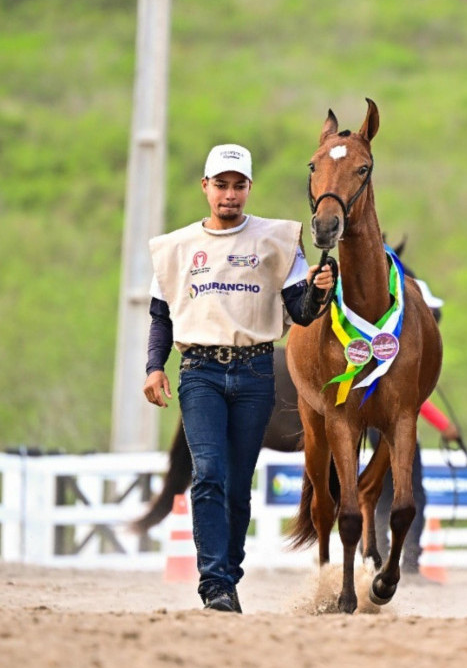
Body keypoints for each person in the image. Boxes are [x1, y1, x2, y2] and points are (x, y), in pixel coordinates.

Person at [142, 143, 334, 613]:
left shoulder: (276, 242)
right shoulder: (176, 248)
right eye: (221, 185)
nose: (230, 194)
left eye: (239, 186)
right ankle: (215, 586)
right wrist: (153, 367)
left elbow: (299, 314)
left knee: (237, 482)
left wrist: (318, 294)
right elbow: (161, 316)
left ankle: (229, 572)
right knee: (208, 474)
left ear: (249, 188)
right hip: (199, 372)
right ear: (205, 187)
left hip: (253, 372)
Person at [371, 276, 460, 578]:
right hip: (395, 432)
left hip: (375, 427)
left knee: (381, 493)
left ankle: (378, 557)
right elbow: (413, 403)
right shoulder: (402, 346)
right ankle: (406, 562)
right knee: (411, 494)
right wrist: (445, 426)